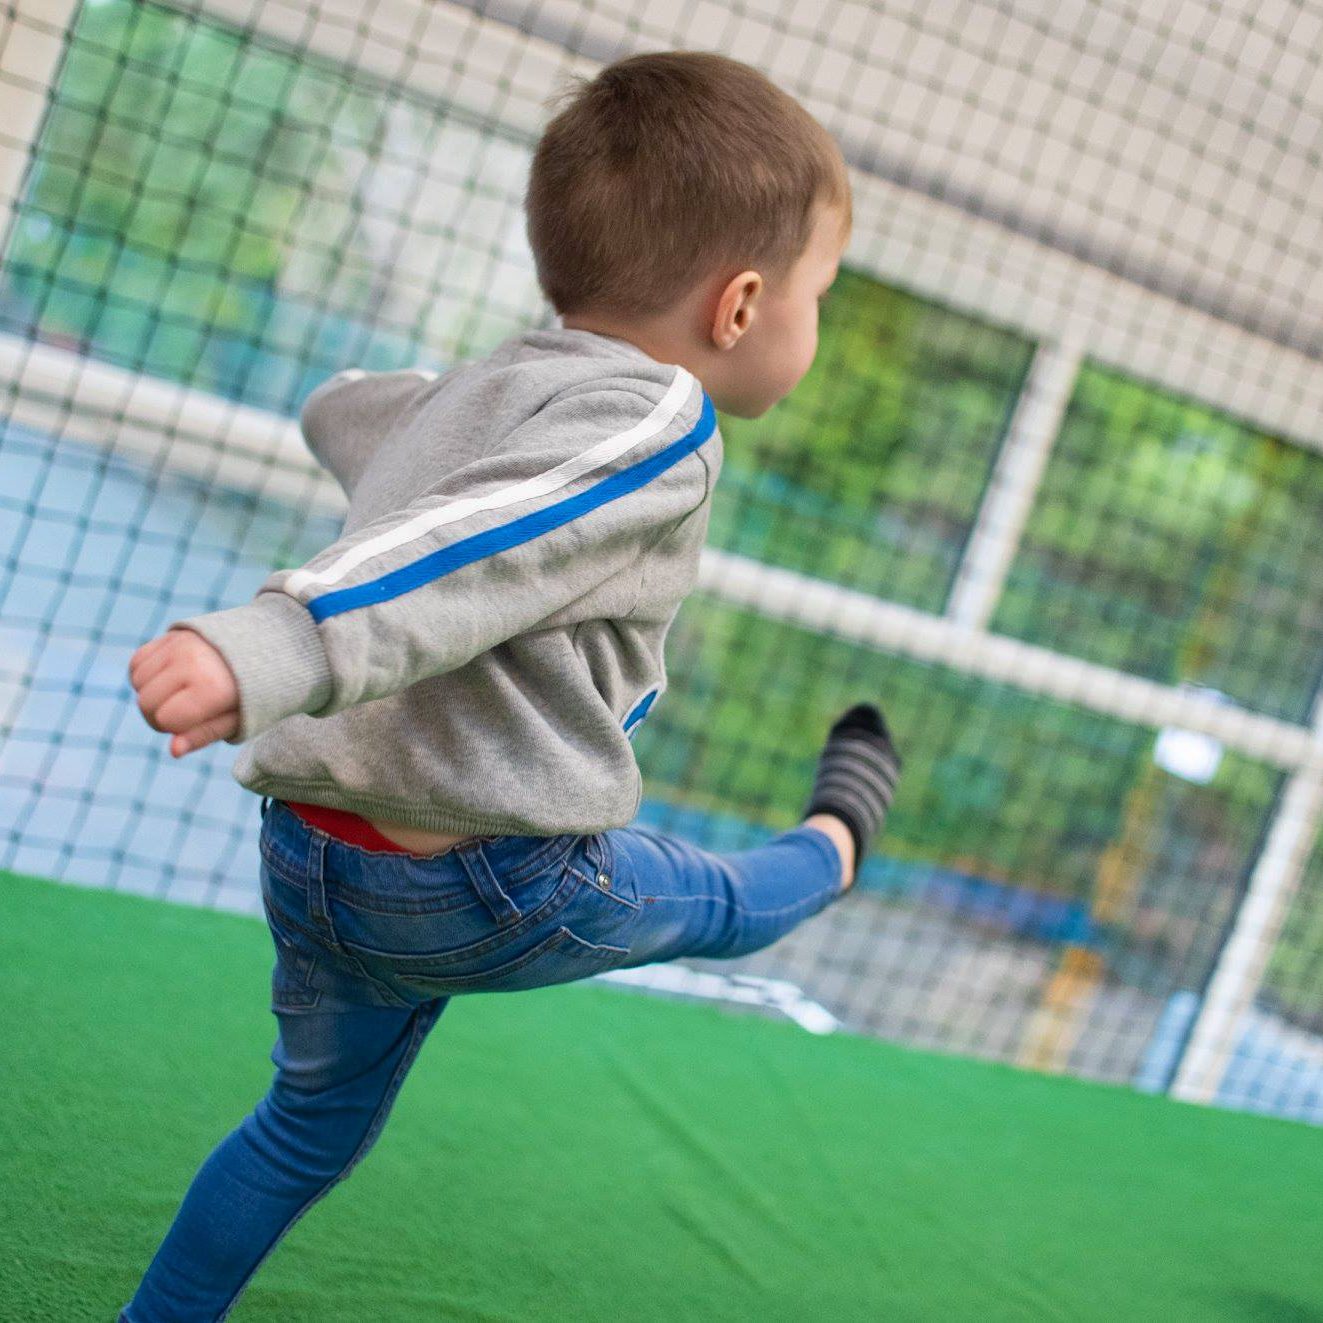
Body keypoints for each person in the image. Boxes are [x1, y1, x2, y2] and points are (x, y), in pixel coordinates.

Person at [119, 49, 902, 1322]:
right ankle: (835, 843)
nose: (816, 324)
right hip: (481, 887)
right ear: (743, 305)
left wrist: (366, 429)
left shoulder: (493, 383)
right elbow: (466, 540)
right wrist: (266, 647)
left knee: (301, 1132)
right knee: (717, 901)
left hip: (313, 861)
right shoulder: (658, 424)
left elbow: (359, 415)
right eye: (823, 294)